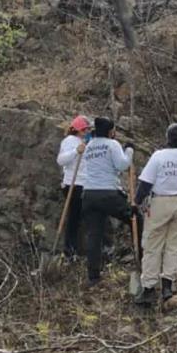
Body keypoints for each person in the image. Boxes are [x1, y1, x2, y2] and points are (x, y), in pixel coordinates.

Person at [134, 123, 177, 306]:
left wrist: (135, 202)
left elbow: (145, 184)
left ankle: (148, 289)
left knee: (152, 245)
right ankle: (167, 288)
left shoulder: (159, 156)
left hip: (160, 203)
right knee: (174, 246)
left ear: (168, 138)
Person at [80, 117, 139, 286]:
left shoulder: (90, 146)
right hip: (108, 193)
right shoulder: (111, 144)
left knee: (94, 235)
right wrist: (129, 150)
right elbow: (122, 165)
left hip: (89, 194)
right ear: (109, 131)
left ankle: (93, 276)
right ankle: (142, 257)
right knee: (136, 219)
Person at [56, 115, 91, 257]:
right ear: (77, 129)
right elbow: (61, 160)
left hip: (86, 184)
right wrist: (76, 151)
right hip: (73, 184)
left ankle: (80, 249)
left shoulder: (88, 141)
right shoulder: (69, 141)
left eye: (88, 129)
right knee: (74, 217)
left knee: (85, 217)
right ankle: (70, 249)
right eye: (84, 129)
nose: (86, 131)